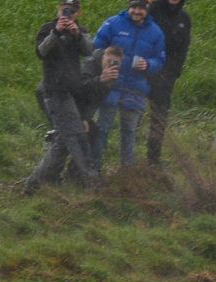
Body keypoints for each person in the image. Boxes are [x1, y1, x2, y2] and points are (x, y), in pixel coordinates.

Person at [22, 0, 99, 194]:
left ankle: (36, 184)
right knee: (75, 137)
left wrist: (77, 35)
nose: (67, 13)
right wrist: (56, 32)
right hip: (54, 91)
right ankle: (91, 180)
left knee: (63, 142)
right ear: (58, 8)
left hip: (72, 91)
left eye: (72, 10)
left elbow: (89, 51)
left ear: (78, 12)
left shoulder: (79, 31)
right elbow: (41, 52)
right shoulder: (47, 28)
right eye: (64, 8)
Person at [91, 0, 166, 169]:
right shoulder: (112, 23)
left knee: (129, 131)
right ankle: (93, 169)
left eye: (141, 8)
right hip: (110, 86)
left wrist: (148, 64)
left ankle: (127, 172)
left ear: (147, 9)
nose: (137, 11)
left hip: (135, 89)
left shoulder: (156, 32)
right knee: (102, 129)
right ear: (128, 6)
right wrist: (106, 63)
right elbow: (95, 49)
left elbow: (160, 60)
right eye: (134, 7)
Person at [146, 0, 191, 166]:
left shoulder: (184, 18)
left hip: (167, 75)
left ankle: (153, 158)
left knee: (159, 116)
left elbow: (183, 48)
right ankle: (126, 160)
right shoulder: (153, 11)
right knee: (132, 114)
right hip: (145, 70)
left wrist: (173, 72)